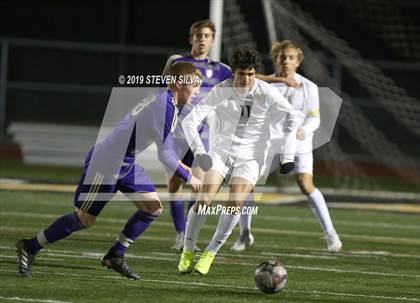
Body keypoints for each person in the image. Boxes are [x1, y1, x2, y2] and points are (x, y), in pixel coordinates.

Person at [15, 62, 203, 279]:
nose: (197, 91)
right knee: (83, 219)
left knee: (153, 208)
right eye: (195, 85)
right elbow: (165, 155)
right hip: (106, 164)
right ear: (179, 84)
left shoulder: (164, 98)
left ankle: (116, 255)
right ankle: (29, 247)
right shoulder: (165, 106)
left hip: (126, 163)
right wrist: (190, 177)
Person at [177, 47, 298, 276]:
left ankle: (210, 252)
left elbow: (293, 115)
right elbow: (190, 121)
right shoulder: (220, 90)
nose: (246, 79)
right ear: (233, 72)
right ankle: (188, 249)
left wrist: (288, 155)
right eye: (241, 74)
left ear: (256, 73)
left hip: (251, 157)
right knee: (204, 199)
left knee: (235, 204)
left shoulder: (266, 92)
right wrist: (200, 152)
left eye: (251, 74)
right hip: (220, 152)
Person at [231, 40, 343, 253]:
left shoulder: (308, 87)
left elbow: (314, 119)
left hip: (298, 144)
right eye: (282, 57)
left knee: (305, 184)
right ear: (276, 59)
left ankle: (331, 233)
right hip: (269, 144)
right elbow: (244, 81)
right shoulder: (265, 84)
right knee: (248, 186)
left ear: (298, 62)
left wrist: (304, 130)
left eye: (291, 58)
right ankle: (245, 234)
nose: (286, 61)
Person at [162, 20, 232, 250]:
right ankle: (180, 232)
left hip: (203, 137)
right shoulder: (177, 62)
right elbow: (165, 88)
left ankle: (189, 237)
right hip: (176, 134)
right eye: (198, 35)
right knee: (174, 186)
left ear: (213, 40)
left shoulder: (222, 70)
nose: (202, 39)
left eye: (207, 35)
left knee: (199, 186)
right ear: (191, 38)